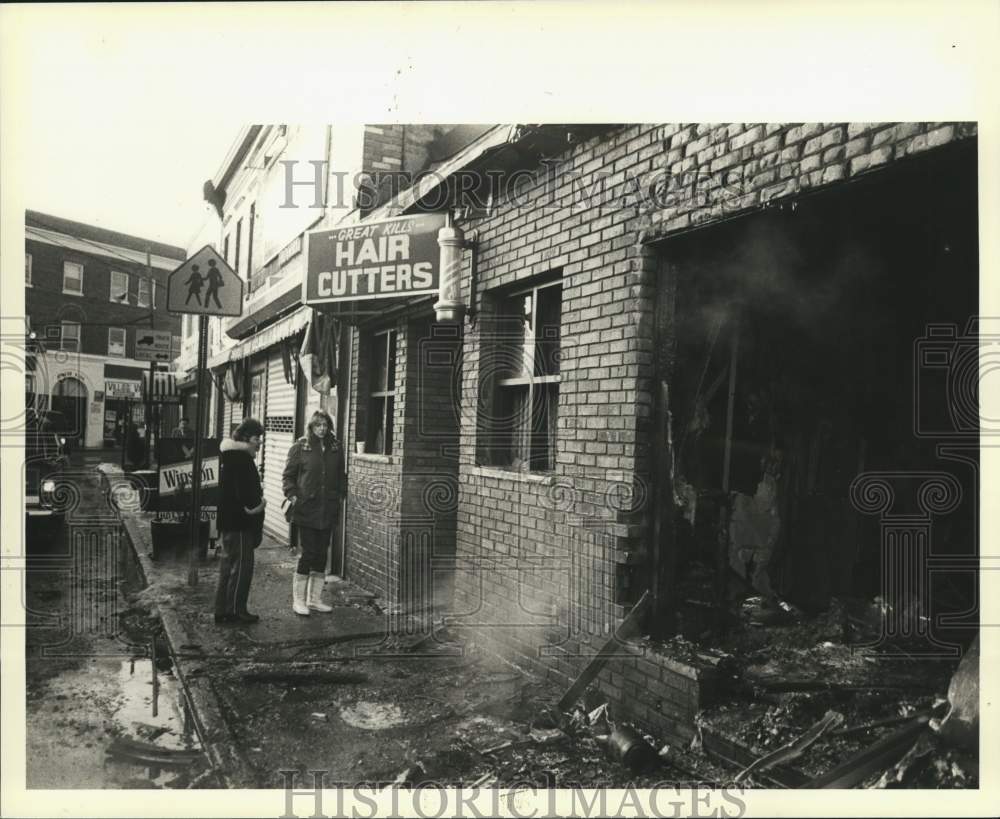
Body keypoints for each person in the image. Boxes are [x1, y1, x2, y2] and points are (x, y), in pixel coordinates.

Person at [282, 410, 345, 616]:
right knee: (308, 553)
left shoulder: (336, 447)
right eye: (318, 425)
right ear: (311, 426)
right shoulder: (301, 446)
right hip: (306, 509)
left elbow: (341, 475)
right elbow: (288, 476)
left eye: (325, 425)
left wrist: (341, 494)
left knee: (321, 554)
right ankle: (298, 601)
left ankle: (315, 599)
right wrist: (292, 495)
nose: (322, 429)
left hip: (328, 509)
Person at [214, 418, 266, 625]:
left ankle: (222, 610)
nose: (259, 442)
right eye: (256, 438)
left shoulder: (230, 457)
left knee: (227, 566)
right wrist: (258, 505)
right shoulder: (242, 460)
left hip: (229, 522)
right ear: (245, 439)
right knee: (242, 567)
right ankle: (236, 610)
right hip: (240, 523)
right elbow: (246, 494)